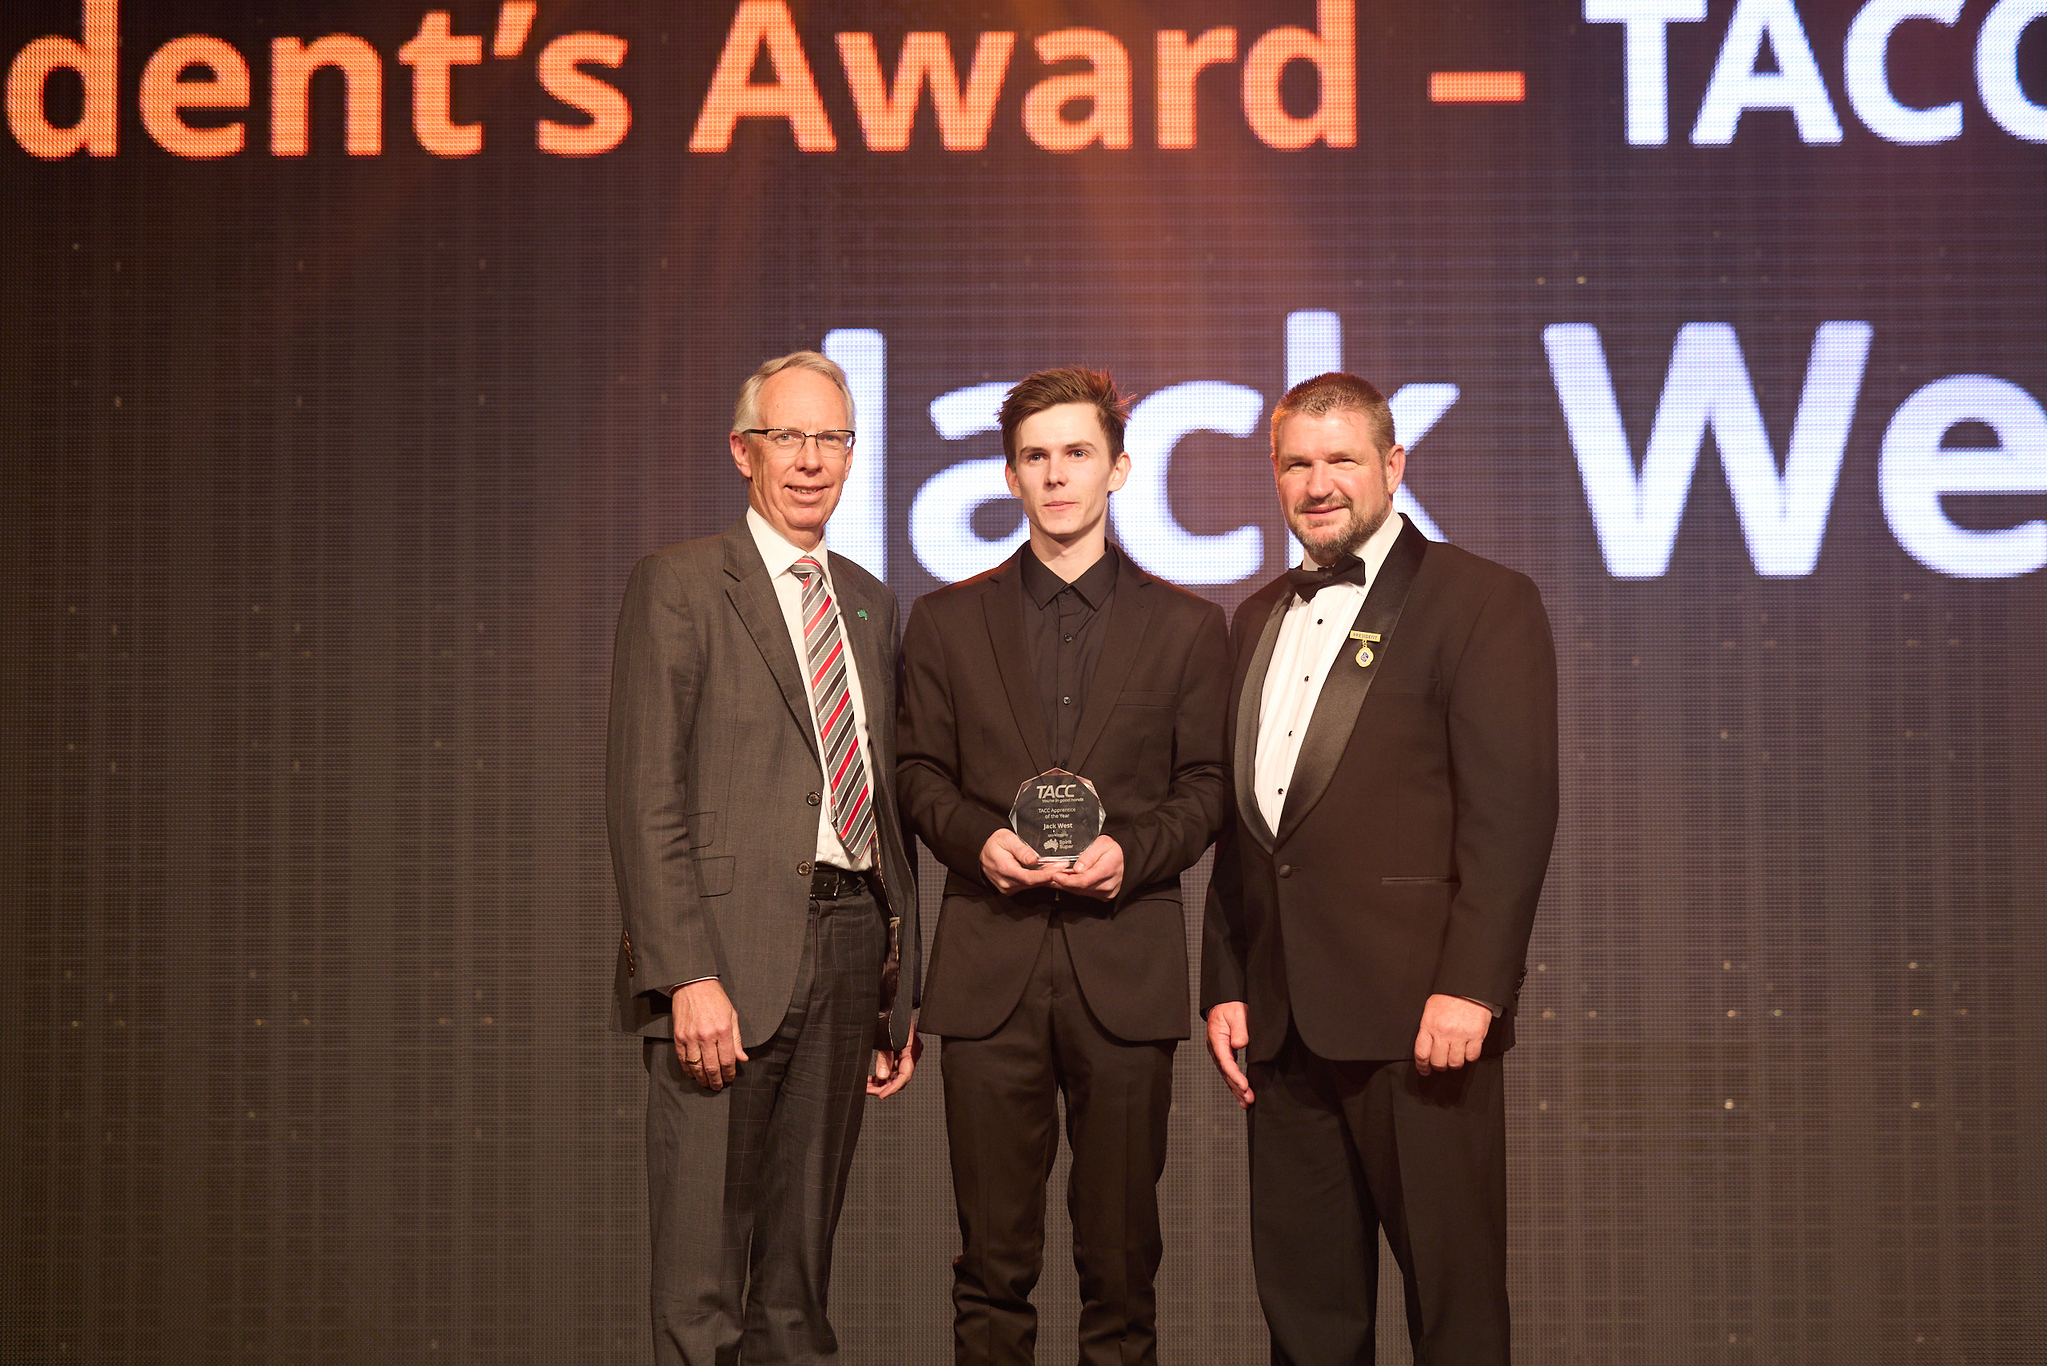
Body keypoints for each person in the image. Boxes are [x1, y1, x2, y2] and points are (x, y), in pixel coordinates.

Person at [1200, 372, 1558, 1364]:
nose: (1318, 484)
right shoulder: (1255, 616)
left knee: (1453, 1316)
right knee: (1306, 1324)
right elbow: (1248, 828)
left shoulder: (1482, 601)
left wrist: (1471, 987)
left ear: (1392, 466)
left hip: (1420, 1025)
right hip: (1281, 1030)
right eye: (1296, 463)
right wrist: (1227, 982)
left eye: (1341, 459)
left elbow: (1512, 814)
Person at [896, 367, 1231, 1366]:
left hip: (1123, 971)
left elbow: (1208, 785)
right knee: (989, 1270)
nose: (1056, 474)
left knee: (1121, 1269)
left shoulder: (1186, 627)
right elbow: (915, 772)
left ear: (1119, 468)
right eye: (1035, 456)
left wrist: (1131, 852)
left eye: (1076, 452)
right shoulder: (945, 621)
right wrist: (972, 839)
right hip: (987, 971)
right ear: (1008, 474)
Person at [606, 350, 921, 1366]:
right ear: (742, 450)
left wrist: (893, 988)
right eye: (787, 437)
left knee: (797, 1289)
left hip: (844, 951)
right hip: (724, 967)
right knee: (702, 1289)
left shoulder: (869, 603)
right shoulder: (683, 584)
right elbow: (643, 793)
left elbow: (884, 797)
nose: (810, 461)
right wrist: (687, 971)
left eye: (830, 438)